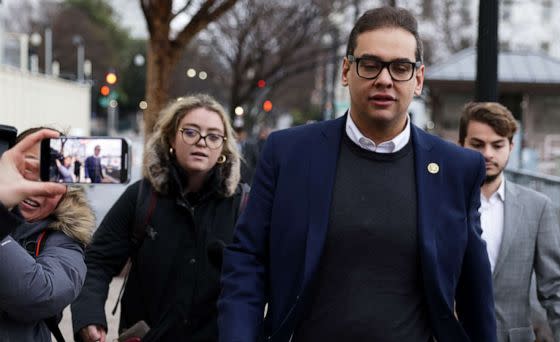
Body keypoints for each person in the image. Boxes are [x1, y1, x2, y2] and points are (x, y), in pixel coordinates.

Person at [218, 7, 496, 342]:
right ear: (347, 71)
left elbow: (475, 292)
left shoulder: (458, 169)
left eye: (400, 67)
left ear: (418, 79)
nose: (384, 79)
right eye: (370, 64)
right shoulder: (288, 154)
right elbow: (247, 260)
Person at [71, 94, 247, 342]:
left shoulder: (243, 206)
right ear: (172, 138)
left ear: (223, 148)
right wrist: (89, 316)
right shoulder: (142, 197)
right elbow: (97, 261)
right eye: (190, 132)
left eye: (214, 136)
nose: (202, 141)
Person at [458, 102, 560, 342]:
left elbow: (557, 288)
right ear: (461, 144)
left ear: (511, 146)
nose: (487, 154)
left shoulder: (537, 207)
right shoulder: (441, 203)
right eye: (477, 144)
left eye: (497, 145)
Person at [0, 127, 94, 341]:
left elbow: (39, 296)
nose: (35, 187)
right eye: (28, 168)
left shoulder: (66, 239)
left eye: (51, 175)